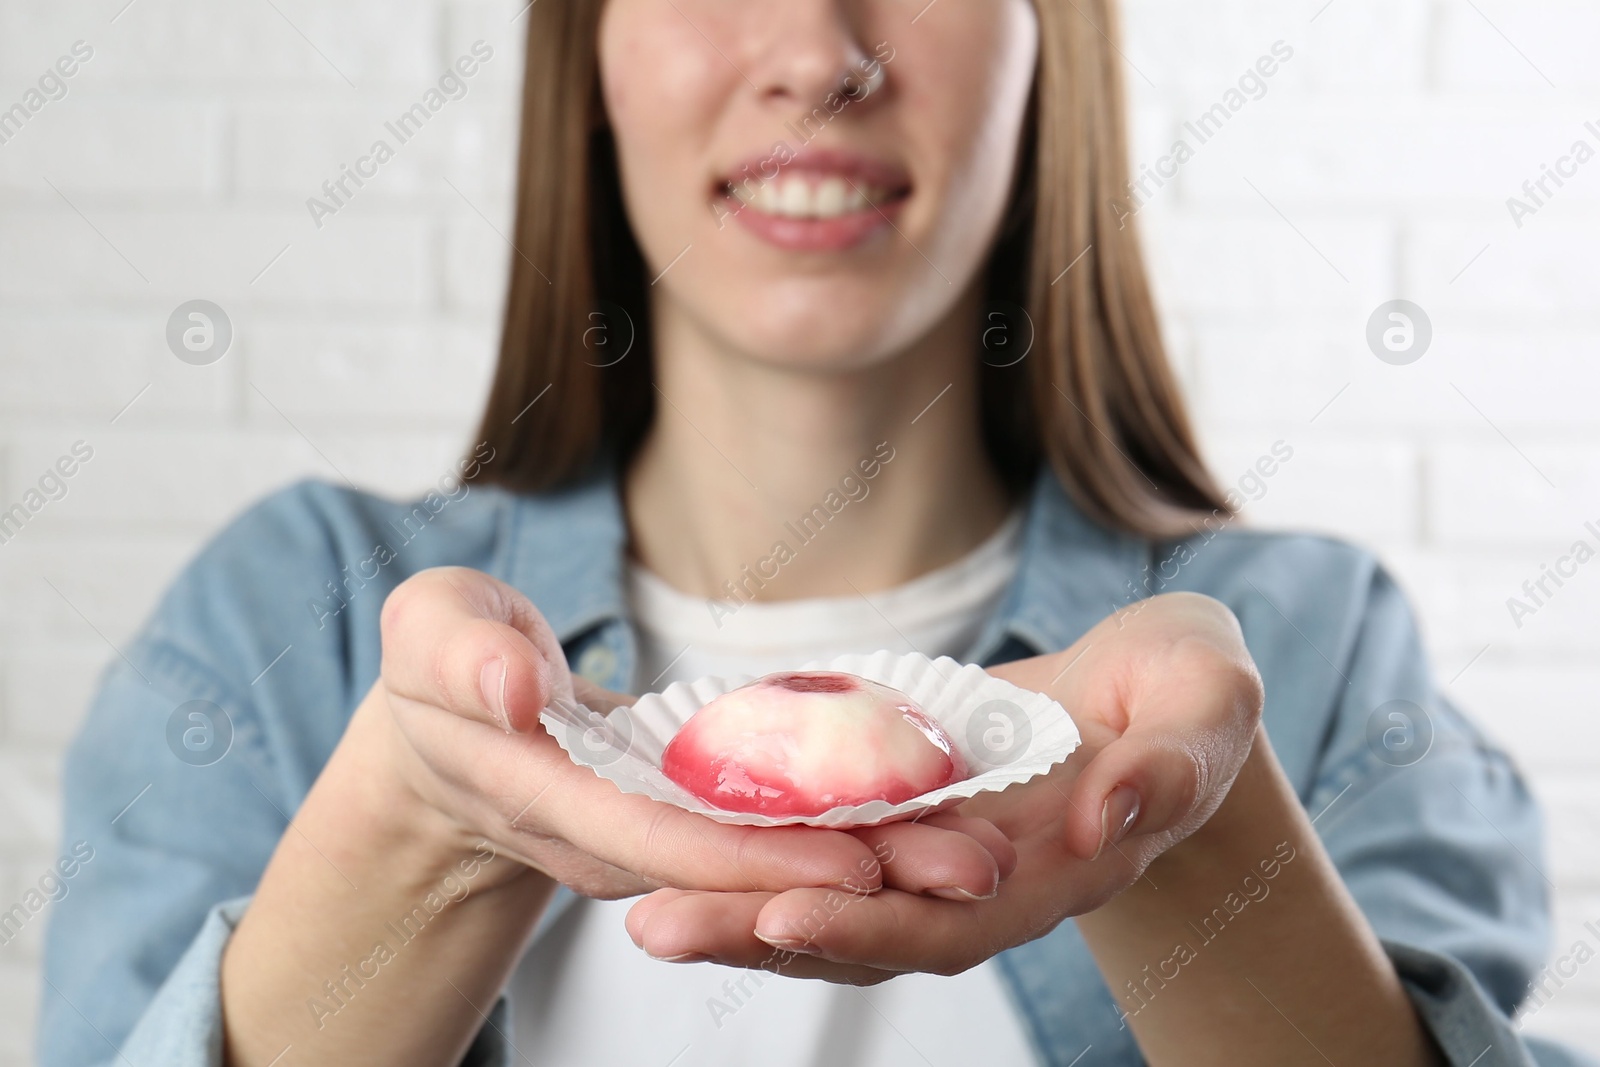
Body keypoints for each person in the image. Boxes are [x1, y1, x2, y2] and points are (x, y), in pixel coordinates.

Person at [37, 1, 1594, 1065]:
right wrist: (412, 845)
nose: (819, 53)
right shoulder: (287, 629)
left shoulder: (1309, 662)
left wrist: (1185, 839)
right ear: (588, 47)